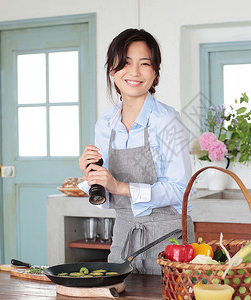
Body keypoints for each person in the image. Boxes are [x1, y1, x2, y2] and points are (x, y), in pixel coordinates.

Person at [78, 28, 195, 275]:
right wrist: (93, 177)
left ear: (156, 74)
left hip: (170, 241)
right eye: (126, 63)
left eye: (144, 64)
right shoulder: (105, 124)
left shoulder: (169, 121)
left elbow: (182, 189)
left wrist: (121, 186)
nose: (134, 72)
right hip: (123, 235)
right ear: (112, 70)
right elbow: (108, 195)